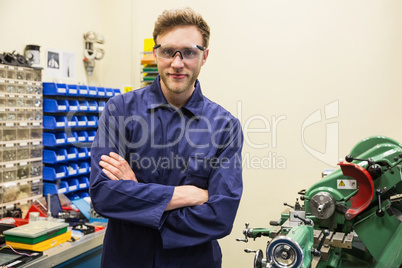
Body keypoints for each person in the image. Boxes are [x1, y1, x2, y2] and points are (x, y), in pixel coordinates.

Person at [89, 7, 243, 268]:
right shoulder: (119, 110)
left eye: (190, 52)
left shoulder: (224, 126)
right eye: (168, 51)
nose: (177, 63)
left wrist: (139, 199)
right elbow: (104, 194)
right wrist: (187, 195)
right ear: (155, 53)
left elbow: (220, 215)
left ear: (204, 56)